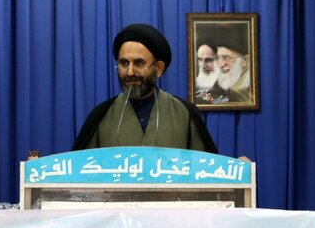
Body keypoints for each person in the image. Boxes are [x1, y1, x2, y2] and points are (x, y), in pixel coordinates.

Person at [72, 24, 216, 152]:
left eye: (139, 63)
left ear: (159, 68)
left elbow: (205, 168)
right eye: (124, 63)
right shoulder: (101, 116)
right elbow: (81, 169)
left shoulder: (185, 114)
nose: (130, 72)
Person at [214, 31, 252, 104]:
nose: (220, 65)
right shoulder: (215, 85)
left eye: (226, 58)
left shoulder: (253, 86)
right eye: (218, 58)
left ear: (245, 60)